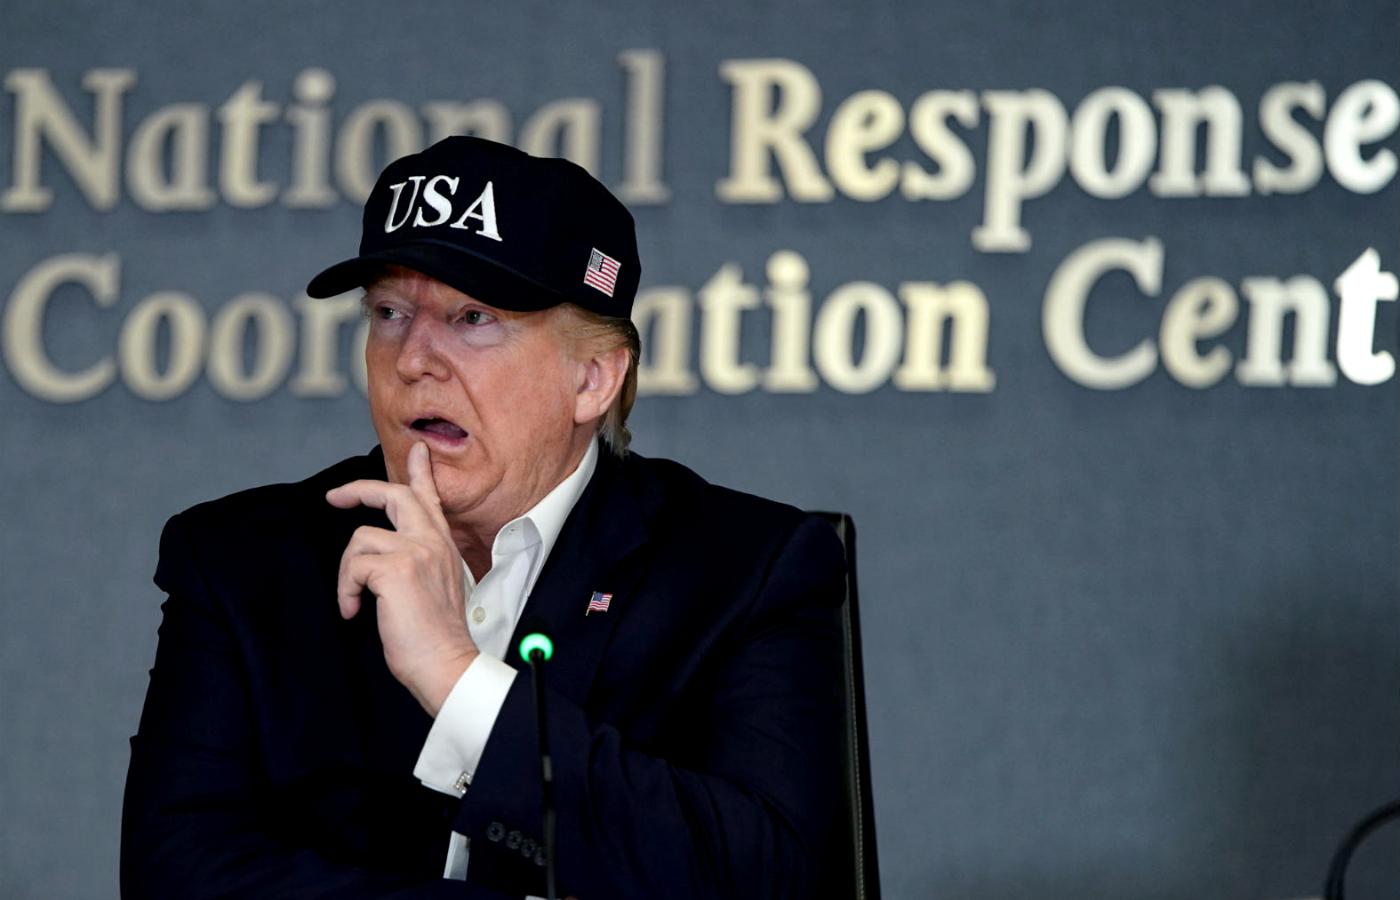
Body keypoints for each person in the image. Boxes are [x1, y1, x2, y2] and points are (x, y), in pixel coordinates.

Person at [122, 136, 848, 900]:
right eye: (390, 312)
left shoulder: (745, 574)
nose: (412, 360)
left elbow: (774, 880)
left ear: (592, 378)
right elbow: (175, 876)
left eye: (472, 317)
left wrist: (457, 677)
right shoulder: (241, 563)